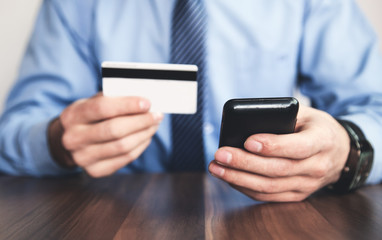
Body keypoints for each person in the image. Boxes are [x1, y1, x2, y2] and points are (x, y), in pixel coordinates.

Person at [0, 0, 381, 202]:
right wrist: (56, 142)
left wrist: (346, 151)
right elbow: (14, 131)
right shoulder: (73, 4)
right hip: (114, 212)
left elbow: (375, 107)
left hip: (261, 212)